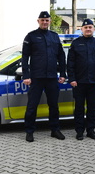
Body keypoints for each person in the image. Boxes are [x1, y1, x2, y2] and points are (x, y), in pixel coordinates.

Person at [22, 11, 66, 142]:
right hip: (36, 77)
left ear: (50, 21)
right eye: (42, 20)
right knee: (32, 106)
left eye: (47, 20)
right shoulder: (31, 36)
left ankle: (55, 130)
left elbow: (61, 56)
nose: (45, 22)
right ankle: (29, 131)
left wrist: (63, 74)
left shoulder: (54, 36)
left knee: (53, 105)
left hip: (52, 77)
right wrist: (26, 75)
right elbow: (25, 57)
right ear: (38, 21)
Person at [67, 19, 95, 140]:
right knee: (79, 108)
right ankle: (79, 131)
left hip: (93, 82)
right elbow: (70, 63)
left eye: (90, 27)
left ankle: (91, 130)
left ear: (94, 29)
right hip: (79, 83)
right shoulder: (75, 43)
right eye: (86, 27)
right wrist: (72, 78)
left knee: (92, 108)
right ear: (82, 29)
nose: (88, 29)